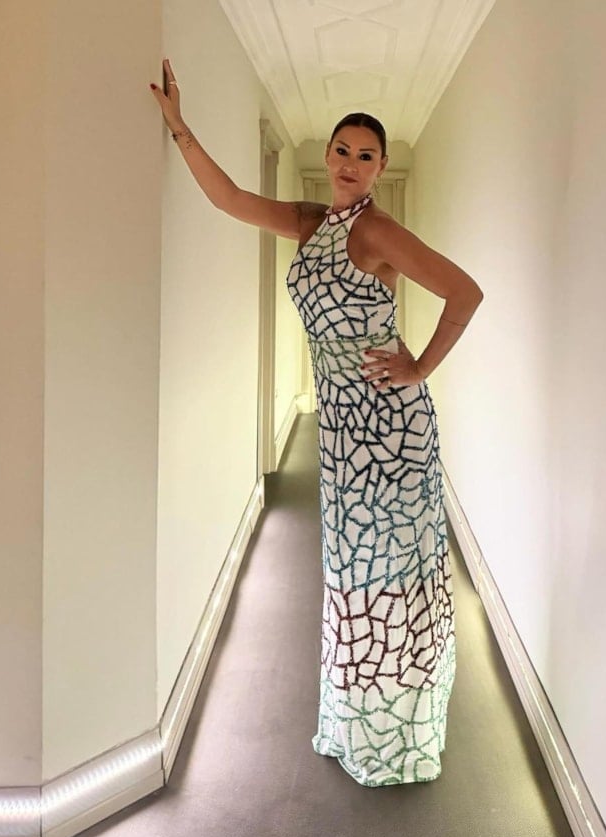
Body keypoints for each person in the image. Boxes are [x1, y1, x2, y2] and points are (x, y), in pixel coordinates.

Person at [150, 58, 483, 786]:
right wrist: (179, 126)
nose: (350, 164)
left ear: (380, 167)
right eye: (342, 150)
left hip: (389, 429)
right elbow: (230, 198)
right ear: (328, 155)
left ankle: (396, 732)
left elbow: (465, 292)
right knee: (352, 571)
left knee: (386, 570)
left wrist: (420, 368)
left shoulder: (378, 231)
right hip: (340, 425)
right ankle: (356, 716)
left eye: (366, 155)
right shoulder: (310, 222)